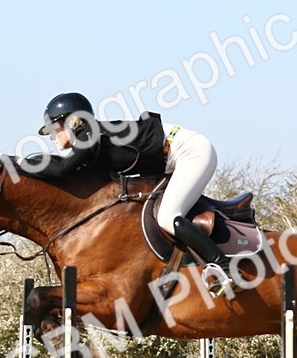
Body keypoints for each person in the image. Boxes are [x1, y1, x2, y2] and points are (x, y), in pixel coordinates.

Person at [22, 92, 233, 296]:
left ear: (70, 121)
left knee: (168, 216)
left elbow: (62, 169)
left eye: (52, 128)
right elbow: (70, 172)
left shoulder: (89, 133)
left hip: (191, 152)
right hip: (171, 160)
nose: (51, 136)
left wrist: (18, 163)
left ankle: (225, 268)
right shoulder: (92, 142)